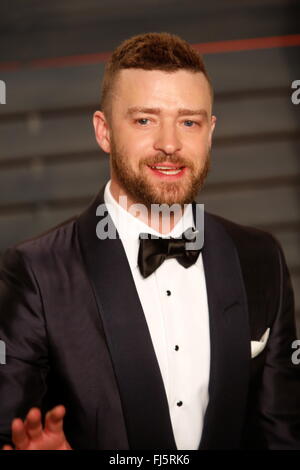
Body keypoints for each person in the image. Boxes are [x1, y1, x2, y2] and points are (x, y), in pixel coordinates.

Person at [0, 31, 300, 451]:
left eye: (189, 122)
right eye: (144, 119)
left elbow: (281, 436)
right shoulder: (37, 272)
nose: (170, 144)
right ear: (104, 131)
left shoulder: (260, 257)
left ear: (210, 132)